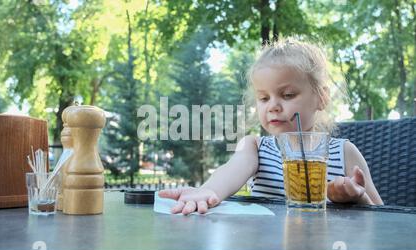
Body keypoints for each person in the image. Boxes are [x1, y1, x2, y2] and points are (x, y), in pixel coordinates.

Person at [159, 37, 384, 215]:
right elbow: (231, 169)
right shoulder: (255, 147)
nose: (273, 106)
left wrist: (357, 198)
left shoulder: (344, 152)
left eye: (287, 95)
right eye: (264, 98)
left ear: (321, 98)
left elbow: (383, 216)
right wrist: (208, 191)